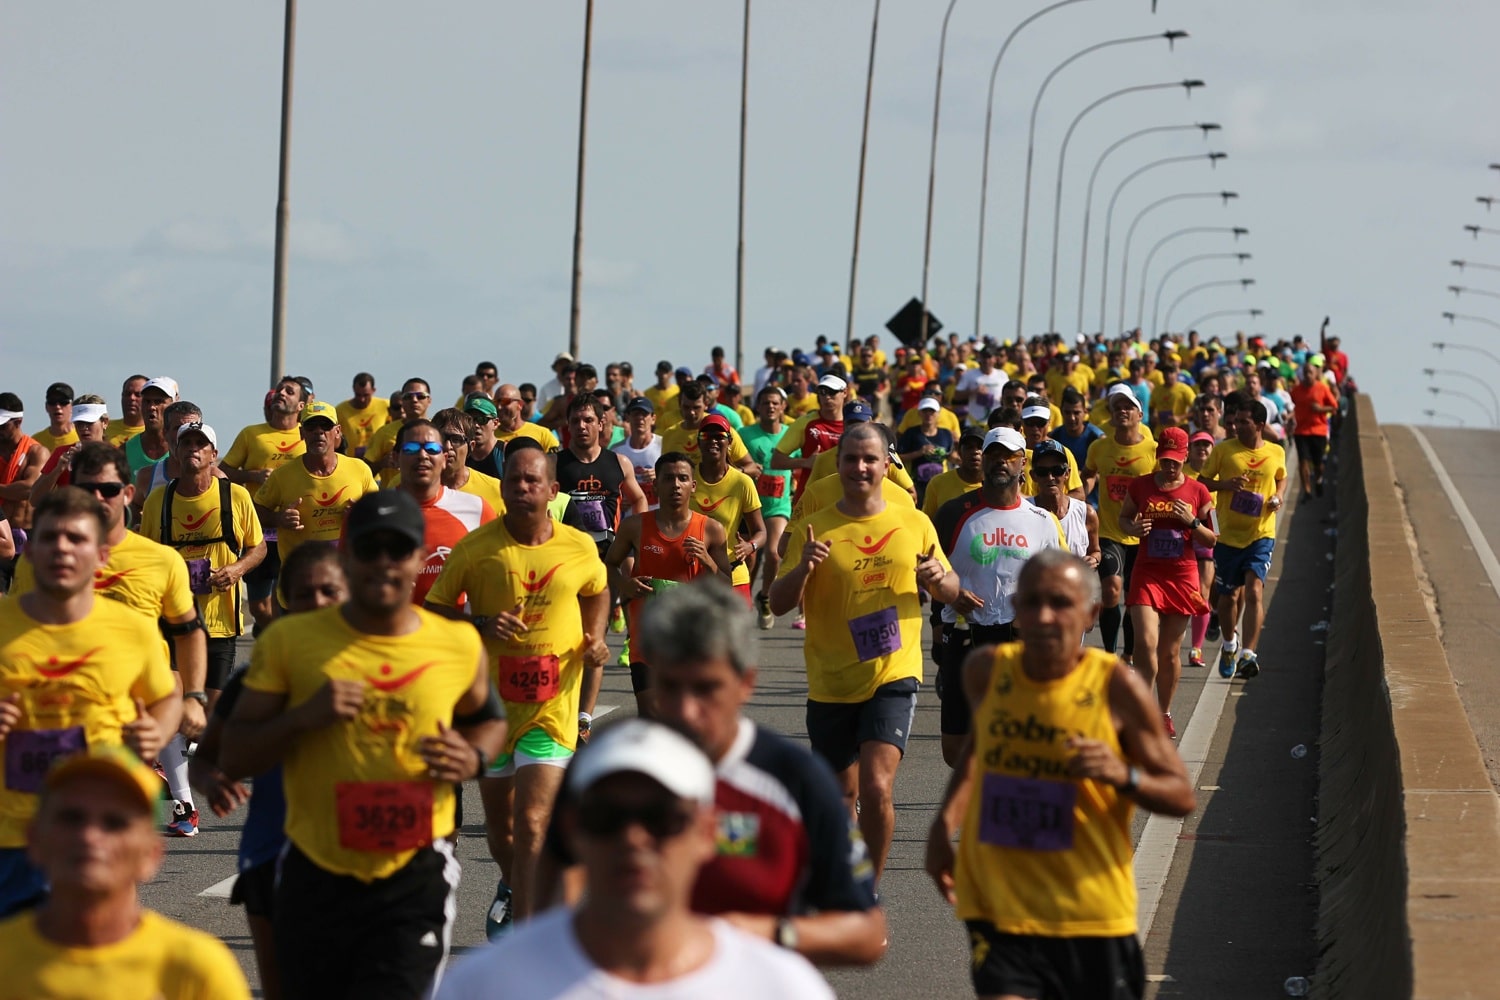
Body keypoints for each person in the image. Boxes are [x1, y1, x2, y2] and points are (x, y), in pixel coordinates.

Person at [222, 490, 506, 1000]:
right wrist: (304, 718)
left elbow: (488, 721)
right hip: (315, 869)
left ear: (421, 559)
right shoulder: (292, 642)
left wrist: (475, 755)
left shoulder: (456, 643)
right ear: (346, 555)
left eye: (396, 549)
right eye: (368, 548)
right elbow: (236, 753)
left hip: (414, 873)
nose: (382, 563)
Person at [924, 549, 1195, 1000]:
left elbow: (1181, 795)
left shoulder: (1115, 686)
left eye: (1060, 603)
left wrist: (1120, 773)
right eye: (1030, 602)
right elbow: (979, 753)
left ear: (1090, 613)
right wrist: (941, 829)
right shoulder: (987, 671)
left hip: (1091, 913)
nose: (1043, 616)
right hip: (1000, 902)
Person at [438, 718, 835, 999]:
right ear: (572, 830)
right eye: (606, 817)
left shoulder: (778, 986)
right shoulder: (487, 985)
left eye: (661, 819)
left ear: (706, 832)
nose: (633, 839)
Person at [425, 441, 610, 940]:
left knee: (532, 824)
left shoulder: (578, 545)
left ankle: (527, 941)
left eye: (532, 481)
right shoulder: (476, 547)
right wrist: (480, 622)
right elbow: (437, 608)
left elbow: (598, 588)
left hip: (552, 706)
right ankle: (512, 884)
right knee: (502, 832)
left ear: (552, 490)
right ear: (503, 489)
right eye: (513, 481)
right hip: (491, 711)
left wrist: (595, 639)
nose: (522, 488)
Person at [770, 422, 959, 881]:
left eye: (870, 459)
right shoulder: (816, 526)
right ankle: (844, 869)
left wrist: (939, 579)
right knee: (841, 797)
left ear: (886, 464)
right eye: (851, 458)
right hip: (832, 678)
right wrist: (804, 569)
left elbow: (952, 589)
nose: (860, 467)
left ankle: (868, 889)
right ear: (837, 464)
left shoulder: (912, 521)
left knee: (876, 788)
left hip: (893, 670)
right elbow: (777, 602)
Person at [10, 443, 207, 836]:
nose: (98, 499)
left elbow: (187, 632)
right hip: (55, 714)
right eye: (87, 490)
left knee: (102, 859)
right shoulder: (41, 560)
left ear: (128, 493)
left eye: (109, 490)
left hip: (130, 709)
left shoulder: (159, 560)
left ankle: (183, 802)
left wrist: (193, 698)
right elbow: (17, 637)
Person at [189, 543, 346, 1000]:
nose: (316, 603)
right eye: (303, 594)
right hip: (270, 851)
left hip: (359, 853)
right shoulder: (256, 675)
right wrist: (209, 780)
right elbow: (206, 757)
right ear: (283, 602)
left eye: (329, 592)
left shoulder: (383, 669)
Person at [0, 745, 250, 997]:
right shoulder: (6, 960)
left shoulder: (196, 970)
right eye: (71, 818)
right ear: (34, 840)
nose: (90, 837)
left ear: (151, 854)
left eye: (115, 823)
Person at [931, 427, 1067, 767]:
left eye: (1009, 457)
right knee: (955, 749)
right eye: (994, 455)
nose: (1000, 463)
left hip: (1018, 638)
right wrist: (950, 594)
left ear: (1023, 463)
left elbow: (1062, 581)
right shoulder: (953, 512)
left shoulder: (1042, 521)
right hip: (964, 636)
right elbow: (928, 567)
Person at [605, 452, 731, 716]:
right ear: (655, 486)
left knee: (686, 718)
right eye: (669, 478)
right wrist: (625, 586)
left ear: (693, 486)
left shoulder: (711, 529)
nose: (676, 485)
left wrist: (708, 562)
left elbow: (725, 587)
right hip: (647, 640)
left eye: (683, 478)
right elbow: (608, 564)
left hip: (692, 641)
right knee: (652, 716)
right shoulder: (634, 526)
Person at [1118, 427, 1217, 738]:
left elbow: (1213, 537)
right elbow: (1124, 519)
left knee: (1169, 652)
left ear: (1185, 457)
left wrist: (1192, 521)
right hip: (1148, 572)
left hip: (1181, 574)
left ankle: (1164, 712)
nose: (1170, 466)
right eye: (1165, 460)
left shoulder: (1198, 491)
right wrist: (1134, 529)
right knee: (1145, 644)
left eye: (1175, 461)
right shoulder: (1140, 486)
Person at [1198, 397, 1286, 680]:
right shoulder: (1224, 450)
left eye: (1244, 421)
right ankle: (1229, 645)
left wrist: (1278, 496)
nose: (1236, 425)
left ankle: (1248, 654)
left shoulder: (1275, 452)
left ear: (1260, 425)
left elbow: (1281, 478)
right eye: (1235, 420)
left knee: (1254, 591)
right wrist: (1224, 485)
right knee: (1226, 600)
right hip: (1227, 537)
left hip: (1261, 534)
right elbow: (1202, 482)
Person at [254, 400, 378, 575]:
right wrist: (278, 519)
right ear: (301, 433)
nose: (318, 432)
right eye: (311, 426)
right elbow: (255, 512)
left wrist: (361, 513)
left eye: (325, 426)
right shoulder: (282, 475)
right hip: (301, 578)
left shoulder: (359, 469)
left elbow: (378, 511)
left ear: (337, 432)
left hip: (348, 576)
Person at [222, 377, 307, 629]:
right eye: (279, 390)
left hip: (295, 530)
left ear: (301, 405)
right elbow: (225, 471)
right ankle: (274, 636)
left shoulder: (308, 435)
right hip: (259, 527)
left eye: (289, 391)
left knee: (291, 599)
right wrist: (253, 476)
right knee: (260, 605)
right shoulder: (251, 434)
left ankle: (281, 645)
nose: (281, 393)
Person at [1083, 384, 1156, 662]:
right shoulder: (1099, 447)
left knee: (1136, 599)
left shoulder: (1153, 449)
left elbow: (1165, 485)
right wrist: (1082, 496)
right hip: (1111, 532)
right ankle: (1111, 655)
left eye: (1128, 407)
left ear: (1139, 414)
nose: (1122, 411)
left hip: (1144, 534)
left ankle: (1128, 654)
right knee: (1112, 591)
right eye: (1117, 407)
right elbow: (1089, 473)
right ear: (1111, 415)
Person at [392, 419, 498, 605]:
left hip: (456, 631)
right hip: (389, 633)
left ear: (443, 458)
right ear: (395, 457)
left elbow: (496, 577)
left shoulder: (477, 509)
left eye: (432, 448)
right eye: (411, 448)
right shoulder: (369, 513)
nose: (422, 455)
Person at [691, 415, 765, 606]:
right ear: (699, 441)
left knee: (735, 636)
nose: (713, 441)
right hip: (692, 574)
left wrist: (751, 546)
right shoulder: (686, 478)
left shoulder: (742, 482)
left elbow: (761, 531)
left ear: (729, 442)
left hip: (732, 572)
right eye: (707, 436)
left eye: (719, 436)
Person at [739, 385, 793, 629]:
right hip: (749, 506)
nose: (770, 406)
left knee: (773, 553)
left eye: (775, 403)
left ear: (782, 407)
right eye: (765, 403)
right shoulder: (744, 434)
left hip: (778, 506)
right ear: (758, 407)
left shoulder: (791, 434)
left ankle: (765, 596)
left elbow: (802, 464)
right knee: (748, 558)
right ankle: (744, 601)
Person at [770, 374, 847, 498]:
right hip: (810, 500)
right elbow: (776, 461)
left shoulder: (853, 424)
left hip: (844, 499)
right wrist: (805, 462)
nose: (827, 397)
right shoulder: (805, 423)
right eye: (822, 392)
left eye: (832, 392)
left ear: (844, 392)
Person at [1027, 438, 1100, 566]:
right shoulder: (1024, 513)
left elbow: (1095, 551)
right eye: (1042, 472)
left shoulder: (1087, 514)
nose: (1050, 477)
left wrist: (1094, 559)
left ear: (1067, 473)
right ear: (1033, 476)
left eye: (1057, 470)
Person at [28, 395, 110, 503]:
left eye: (89, 422)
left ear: (105, 422)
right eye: (79, 423)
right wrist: (58, 470)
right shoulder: (62, 454)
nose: (83, 428)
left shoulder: (116, 456)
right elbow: (34, 499)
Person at [364, 378, 434, 486]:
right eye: (408, 396)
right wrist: (382, 463)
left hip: (429, 497)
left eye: (420, 396)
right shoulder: (384, 433)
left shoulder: (437, 430)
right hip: (392, 498)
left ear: (429, 400)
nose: (414, 400)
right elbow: (363, 473)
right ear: (402, 401)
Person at [0, 393, 50, 534]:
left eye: (3, 426)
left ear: (18, 422)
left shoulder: (36, 452)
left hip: (26, 533)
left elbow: (30, 489)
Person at [1289, 358, 1339, 500]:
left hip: (1319, 430)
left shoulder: (1322, 388)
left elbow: (1334, 407)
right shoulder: (1297, 390)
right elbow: (1290, 405)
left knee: (1318, 464)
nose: (1308, 375)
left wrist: (1321, 409)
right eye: (1305, 372)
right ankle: (1307, 490)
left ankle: (1318, 480)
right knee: (1303, 461)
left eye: (1310, 372)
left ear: (1316, 373)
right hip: (1301, 431)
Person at [897, 396, 955, 508]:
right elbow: (898, 458)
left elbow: (951, 455)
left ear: (938, 414)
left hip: (940, 483)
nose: (928, 414)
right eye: (925, 411)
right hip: (916, 484)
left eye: (932, 411)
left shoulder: (946, 434)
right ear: (919, 413)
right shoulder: (911, 433)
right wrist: (920, 452)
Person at [611, 396, 663, 511]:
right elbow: (610, 488)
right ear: (628, 417)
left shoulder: (663, 445)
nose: (640, 418)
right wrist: (618, 500)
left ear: (653, 418)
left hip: (659, 517)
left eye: (644, 414)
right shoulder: (617, 450)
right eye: (635, 414)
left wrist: (660, 475)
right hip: (630, 519)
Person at [124, 377, 180, 477]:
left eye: (158, 401)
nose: (151, 407)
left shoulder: (185, 451)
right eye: (147, 401)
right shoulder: (125, 451)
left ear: (174, 403)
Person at [492, 383, 561, 454]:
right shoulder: (489, 436)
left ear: (520, 405)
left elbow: (558, 462)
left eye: (505, 401)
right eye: (496, 402)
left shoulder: (543, 435)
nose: (499, 407)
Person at [462, 396, 505, 479]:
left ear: (495, 423)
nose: (475, 425)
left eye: (482, 420)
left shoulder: (505, 453)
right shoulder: (460, 453)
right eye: (469, 420)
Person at [32, 382, 78, 453]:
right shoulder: (36, 441)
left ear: (72, 406)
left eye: (63, 402)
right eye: (52, 402)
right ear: (46, 406)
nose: (57, 406)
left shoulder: (81, 437)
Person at [106, 374, 148, 448]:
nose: (131, 398)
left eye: (138, 394)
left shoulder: (154, 433)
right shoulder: (104, 428)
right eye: (127, 394)